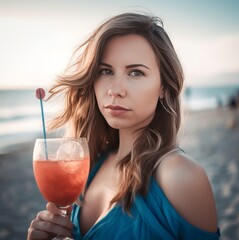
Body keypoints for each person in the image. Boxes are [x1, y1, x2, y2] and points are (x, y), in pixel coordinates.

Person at [27, 12, 221, 239]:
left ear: (163, 87)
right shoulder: (91, 164)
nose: (115, 89)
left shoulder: (181, 176)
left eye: (136, 72)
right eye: (106, 71)